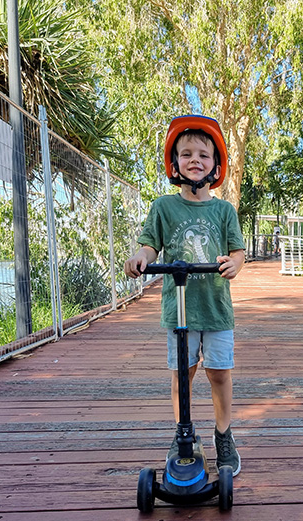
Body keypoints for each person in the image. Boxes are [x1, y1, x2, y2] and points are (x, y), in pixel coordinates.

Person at [124, 115, 245, 476]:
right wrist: (140, 259)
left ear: (216, 165)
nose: (195, 160)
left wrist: (234, 264)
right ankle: (184, 435)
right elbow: (149, 247)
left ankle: (223, 435)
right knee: (183, 374)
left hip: (216, 308)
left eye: (204, 155)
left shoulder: (224, 210)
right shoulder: (163, 207)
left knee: (220, 373)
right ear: (174, 163)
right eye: (187, 153)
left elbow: (237, 252)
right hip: (180, 309)